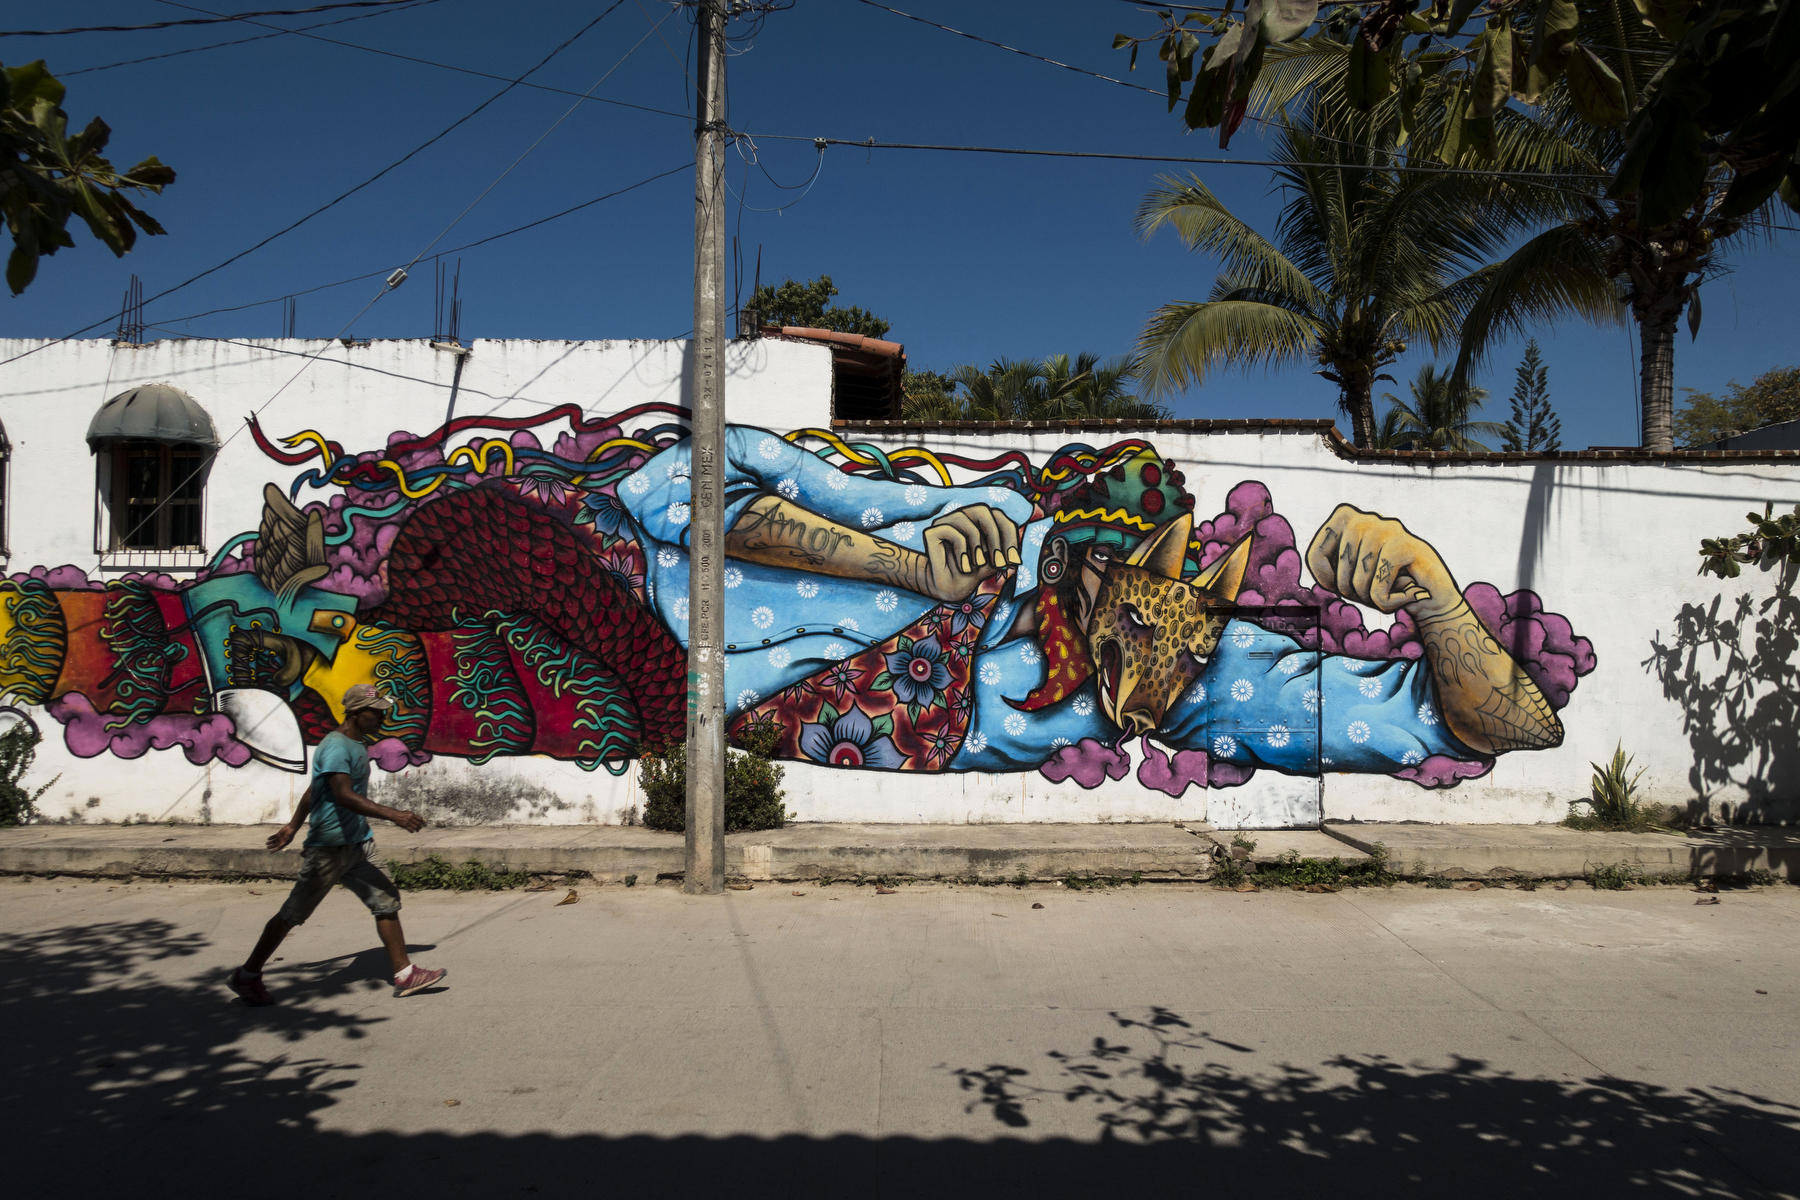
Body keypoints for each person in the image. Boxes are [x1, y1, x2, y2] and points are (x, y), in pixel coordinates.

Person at [226, 684, 446, 1005]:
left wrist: (292, 825)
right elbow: (340, 793)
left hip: (358, 843)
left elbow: (315, 790)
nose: (382, 717)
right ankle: (247, 975)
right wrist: (393, 814)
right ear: (357, 713)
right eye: (377, 712)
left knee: (386, 901)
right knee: (292, 914)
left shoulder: (355, 744)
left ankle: (405, 973)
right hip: (329, 848)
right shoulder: (336, 747)